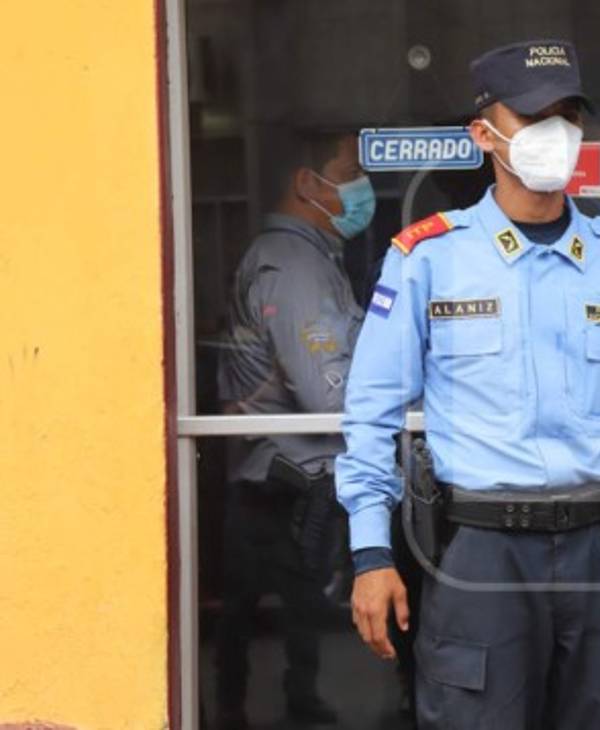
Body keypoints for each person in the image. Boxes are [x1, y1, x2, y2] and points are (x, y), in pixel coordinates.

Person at [336, 39, 600, 730]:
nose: (555, 133)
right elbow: (372, 413)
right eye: (533, 117)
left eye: (568, 116)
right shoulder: (429, 259)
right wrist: (371, 553)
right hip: (482, 554)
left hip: (599, 551)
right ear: (484, 135)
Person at [215, 127, 374, 728]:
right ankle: (249, 709)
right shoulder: (296, 266)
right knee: (287, 611)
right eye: (350, 172)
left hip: (270, 477)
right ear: (308, 183)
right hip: (282, 484)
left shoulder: (304, 258)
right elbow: (328, 394)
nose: (363, 188)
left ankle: (249, 706)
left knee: (278, 614)